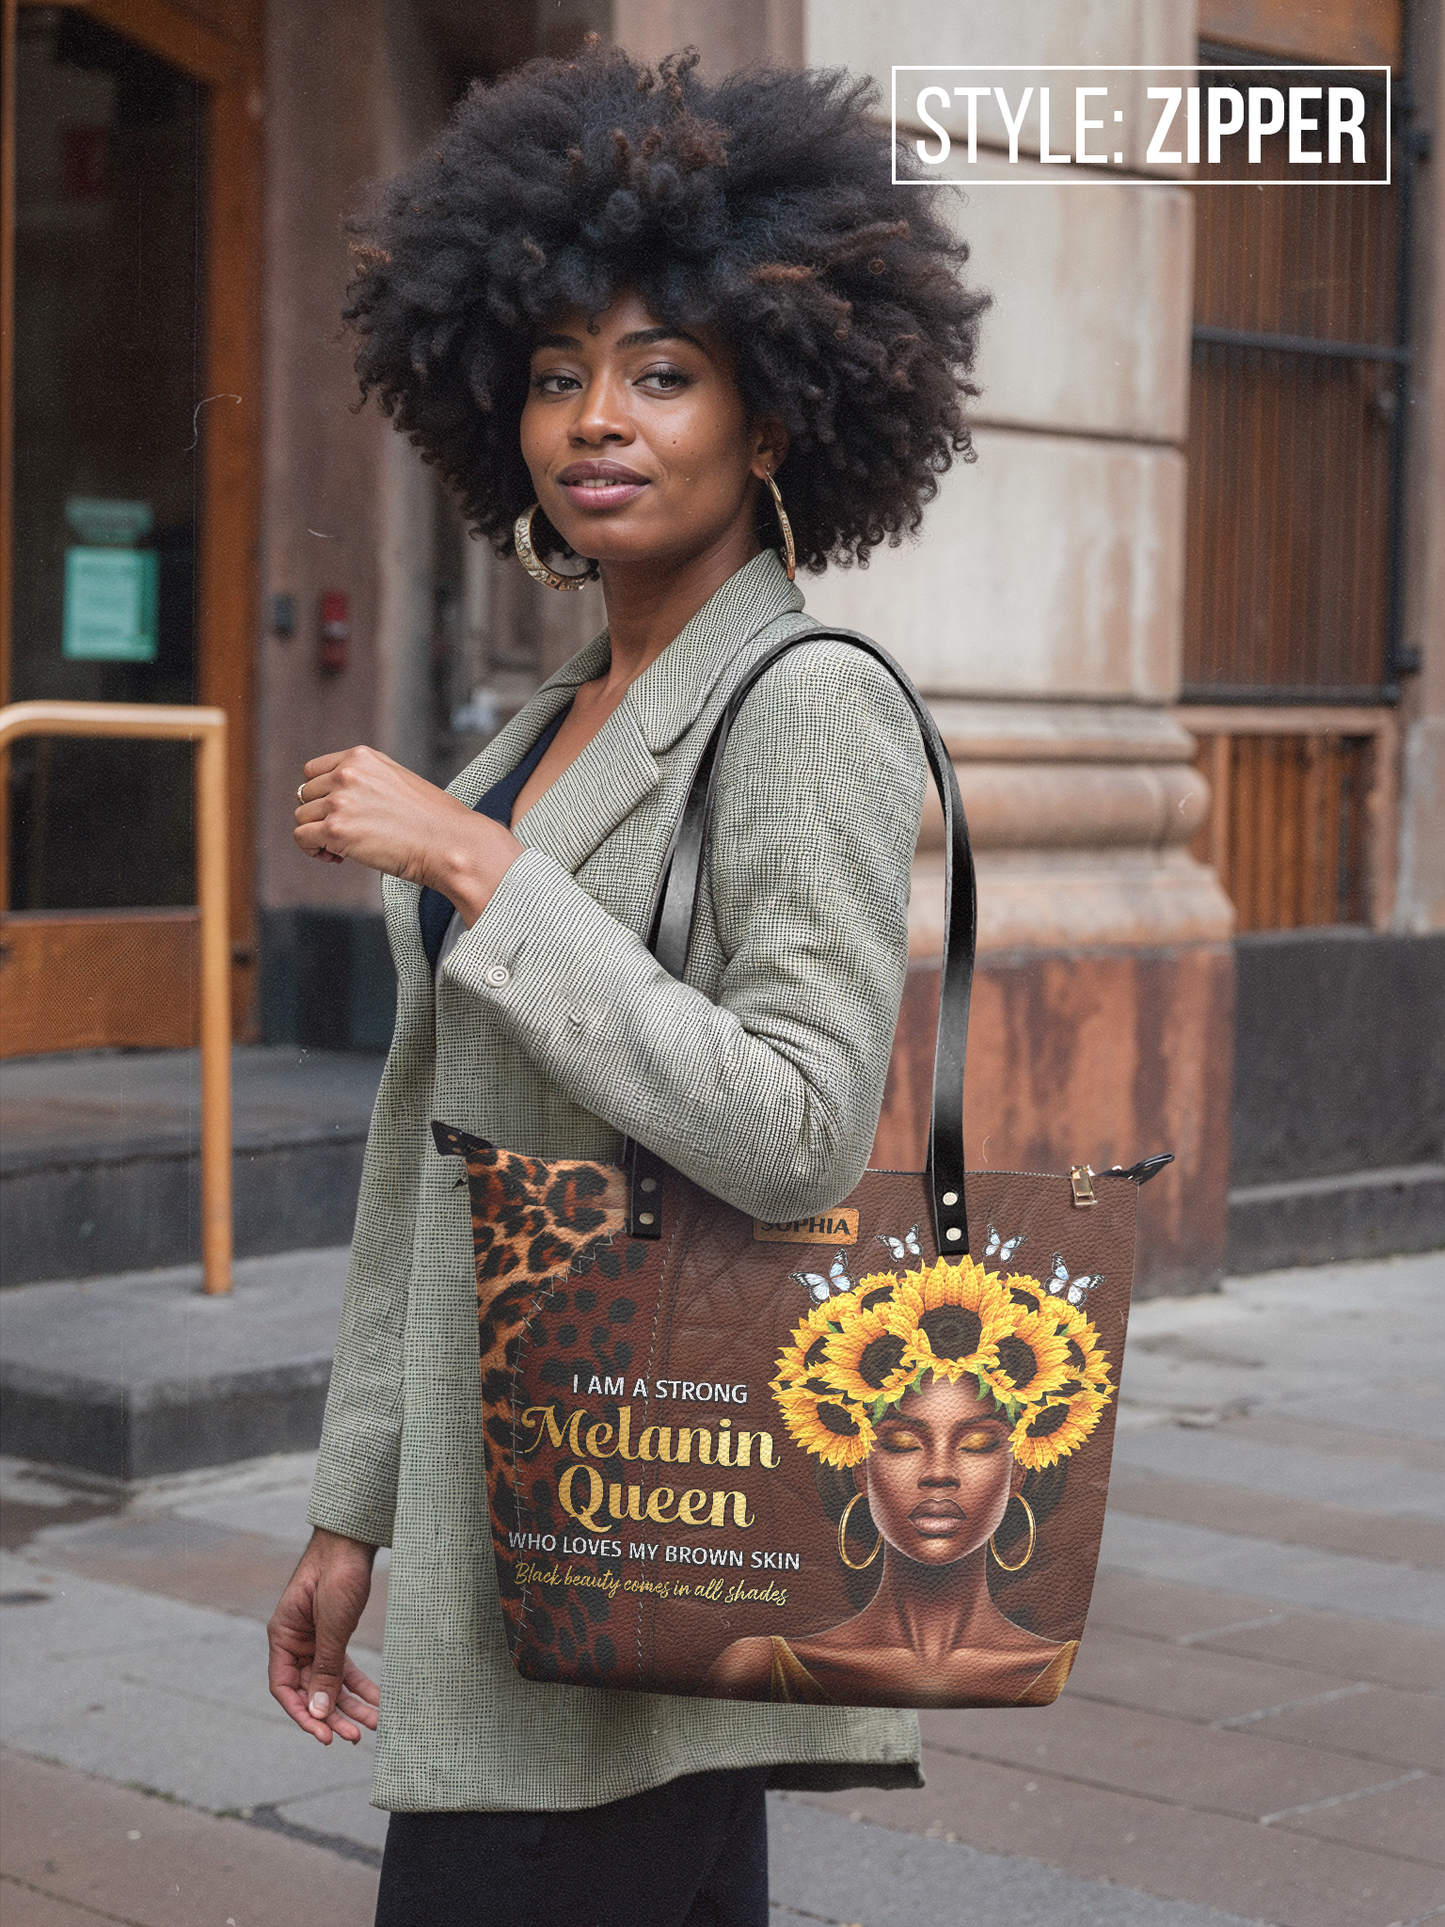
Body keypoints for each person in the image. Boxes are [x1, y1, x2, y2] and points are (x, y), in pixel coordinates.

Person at [265, 39, 986, 1927]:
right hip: (520, 1539)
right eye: (558, 373)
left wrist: (482, 873)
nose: (599, 417)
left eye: (663, 372)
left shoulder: (805, 702)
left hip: (642, 1526)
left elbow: (800, 1127)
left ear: (772, 420)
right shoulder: (534, 728)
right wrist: (358, 1506)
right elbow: (431, 1158)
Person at [705, 1254, 1115, 1709]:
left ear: (1018, 1470)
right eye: (901, 1442)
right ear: (860, 1467)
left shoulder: (1050, 1665)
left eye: (978, 1442)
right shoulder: (759, 1664)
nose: (939, 1472)